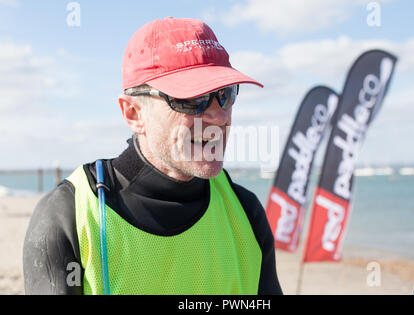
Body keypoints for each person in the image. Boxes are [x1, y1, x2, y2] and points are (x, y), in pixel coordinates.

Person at [23, 17, 282, 295]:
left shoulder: (245, 212)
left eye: (225, 94)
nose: (219, 116)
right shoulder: (71, 215)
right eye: (192, 99)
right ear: (133, 114)